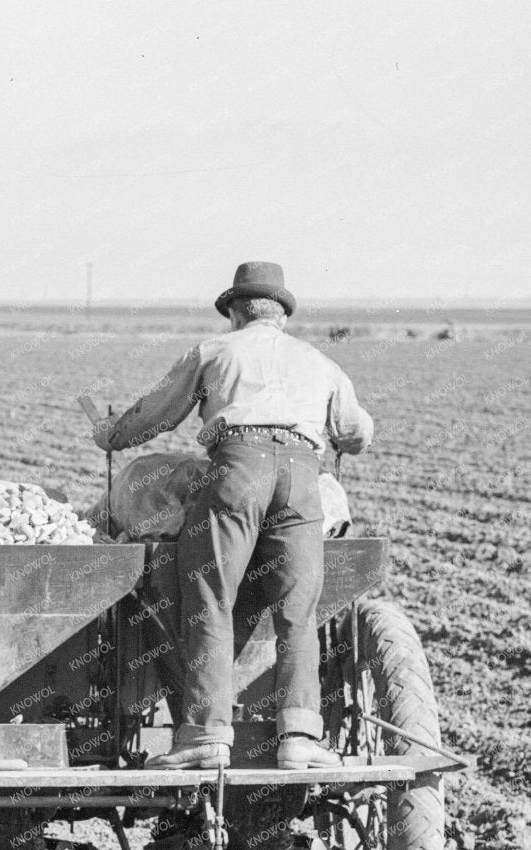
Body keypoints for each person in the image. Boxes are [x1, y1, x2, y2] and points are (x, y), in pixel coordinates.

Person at [86, 261, 374, 771]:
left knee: (210, 597)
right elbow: (356, 432)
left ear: (236, 313)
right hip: (303, 478)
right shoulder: (319, 361)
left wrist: (111, 434)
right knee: (297, 608)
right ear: (281, 316)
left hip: (238, 470)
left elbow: (156, 414)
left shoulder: (214, 352)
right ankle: (300, 738)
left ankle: (205, 734)